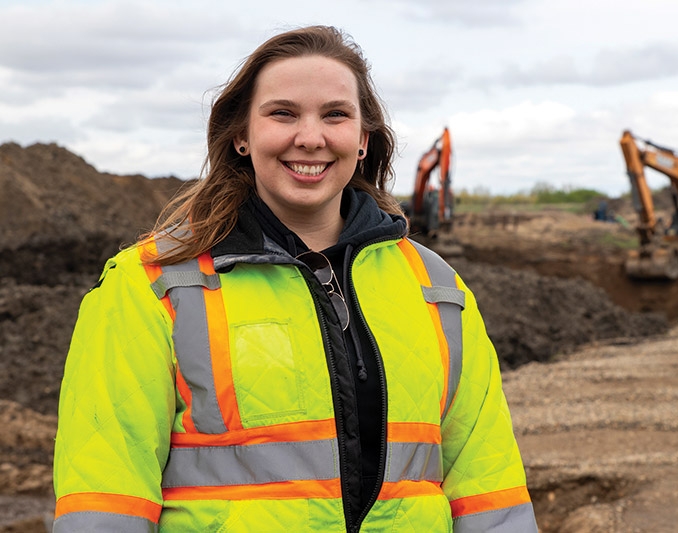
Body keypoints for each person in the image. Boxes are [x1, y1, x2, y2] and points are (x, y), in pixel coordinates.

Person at [53, 25, 536, 532]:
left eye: (335, 114)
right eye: (283, 113)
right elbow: (104, 497)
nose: (311, 137)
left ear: (363, 139)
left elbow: (489, 492)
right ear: (242, 135)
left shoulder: (437, 289)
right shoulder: (150, 285)